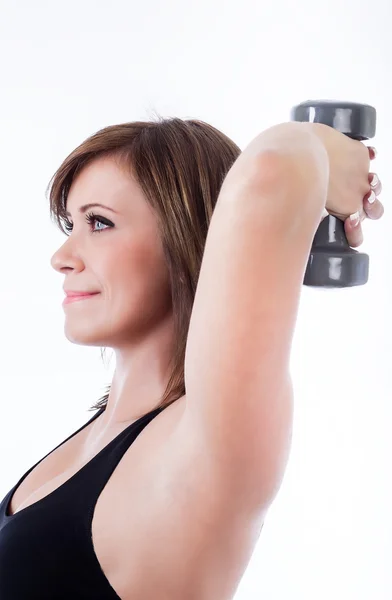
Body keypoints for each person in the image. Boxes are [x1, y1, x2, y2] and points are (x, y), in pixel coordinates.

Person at [0, 116, 383, 599]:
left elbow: (274, 167)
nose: (62, 255)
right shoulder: (99, 438)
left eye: (99, 222)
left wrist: (328, 153)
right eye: (71, 224)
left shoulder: (209, 442)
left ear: (186, 236)